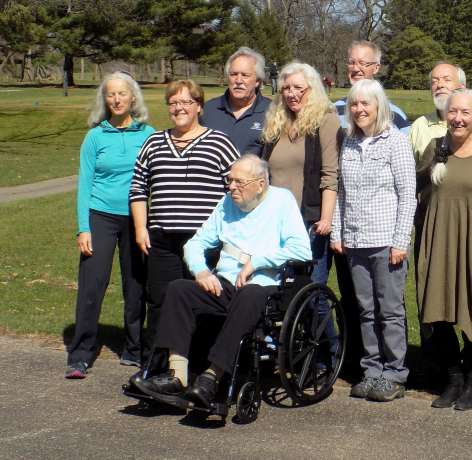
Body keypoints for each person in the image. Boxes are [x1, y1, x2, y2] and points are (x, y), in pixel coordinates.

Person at [130, 155, 312, 403]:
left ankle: (212, 376)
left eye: (239, 182)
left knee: (248, 294)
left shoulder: (282, 201)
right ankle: (177, 375)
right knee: (179, 289)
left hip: (265, 287)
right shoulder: (227, 203)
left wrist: (256, 262)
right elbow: (195, 243)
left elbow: (301, 250)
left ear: (260, 184)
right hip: (226, 284)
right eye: (230, 180)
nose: (231, 187)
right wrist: (202, 271)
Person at [130, 79, 240, 370]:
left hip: (205, 243)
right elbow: (138, 188)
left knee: (203, 302)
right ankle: (155, 368)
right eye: (173, 103)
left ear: (199, 106)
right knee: (159, 301)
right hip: (162, 240)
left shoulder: (219, 142)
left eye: (186, 102)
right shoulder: (153, 142)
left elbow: (236, 189)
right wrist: (141, 228)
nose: (179, 108)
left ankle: (198, 369)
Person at [408, 62, 472, 378]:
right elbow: (411, 184)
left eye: (465, 112)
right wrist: (416, 213)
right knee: (435, 304)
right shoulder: (432, 146)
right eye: (453, 112)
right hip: (439, 238)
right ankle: (452, 376)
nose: (458, 118)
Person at [330, 79, 416, 402]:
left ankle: (394, 374)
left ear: (379, 106)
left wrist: (400, 241)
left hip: (386, 241)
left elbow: (408, 195)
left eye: (366, 103)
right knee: (365, 310)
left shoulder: (396, 142)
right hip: (355, 241)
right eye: (354, 104)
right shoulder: (349, 142)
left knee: (389, 310)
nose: (359, 109)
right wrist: (338, 233)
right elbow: (340, 192)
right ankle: (372, 369)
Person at [66, 72, 155, 379]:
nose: (117, 99)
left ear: (133, 97)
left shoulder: (149, 135)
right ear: (104, 99)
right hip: (100, 216)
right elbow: (84, 184)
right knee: (92, 285)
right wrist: (83, 227)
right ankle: (80, 354)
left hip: (137, 218)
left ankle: (134, 349)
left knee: (136, 285)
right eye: (110, 94)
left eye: (122, 93)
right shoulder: (95, 137)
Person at [261, 62, 342, 345]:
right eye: (286, 88)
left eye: (299, 87)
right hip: (276, 223)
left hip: (310, 222)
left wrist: (326, 219)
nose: (292, 93)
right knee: (281, 291)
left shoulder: (325, 121)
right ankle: (293, 352)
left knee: (311, 294)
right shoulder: (277, 122)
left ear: (312, 89)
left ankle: (329, 354)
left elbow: (330, 175)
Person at [201, 47, 271, 156]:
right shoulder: (209, 109)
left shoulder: (272, 111)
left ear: (257, 81)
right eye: (233, 74)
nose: (238, 81)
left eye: (245, 75)